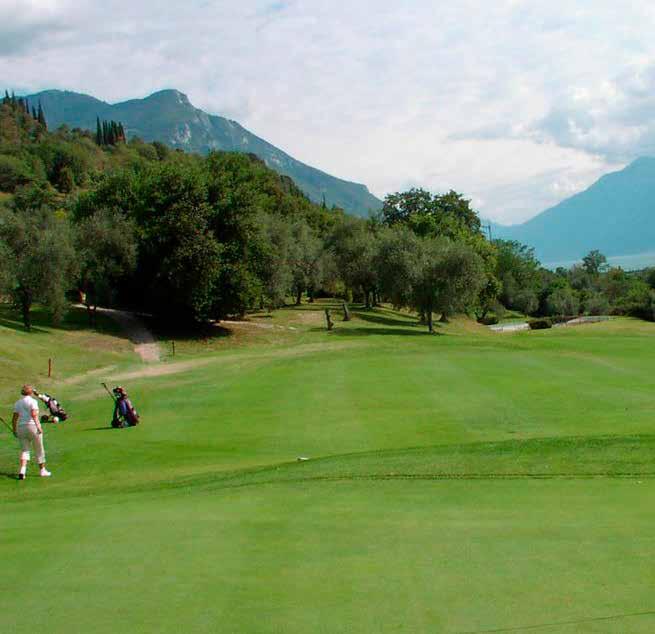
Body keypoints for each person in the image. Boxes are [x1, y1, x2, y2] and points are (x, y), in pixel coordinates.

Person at [11, 384, 51, 480]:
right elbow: (34, 415)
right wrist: (38, 427)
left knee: (25, 450)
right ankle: (42, 470)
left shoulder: (18, 403)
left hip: (21, 428)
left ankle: (22, 471)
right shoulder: (33, 401)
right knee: (39, 449)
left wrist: (14, 430)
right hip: (33, 427)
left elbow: (14, 419)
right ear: (31, 392)